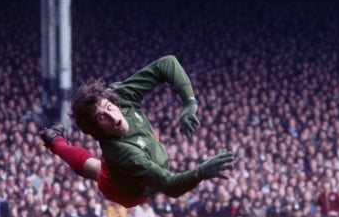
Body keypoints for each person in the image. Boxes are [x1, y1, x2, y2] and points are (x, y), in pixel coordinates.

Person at [39, 55, 234, 208]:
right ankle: (56, 142)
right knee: (96, 169)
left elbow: (167, 63)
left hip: (130, 149)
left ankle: (54, 139)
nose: (113, 117)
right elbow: (171, 187)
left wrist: (189, 103)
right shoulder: (124, 154)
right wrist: (200, 172)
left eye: (109, 107)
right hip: (127, 191)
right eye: (101, 118)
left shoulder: (120, 97)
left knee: (128, 104)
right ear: (96, 130)